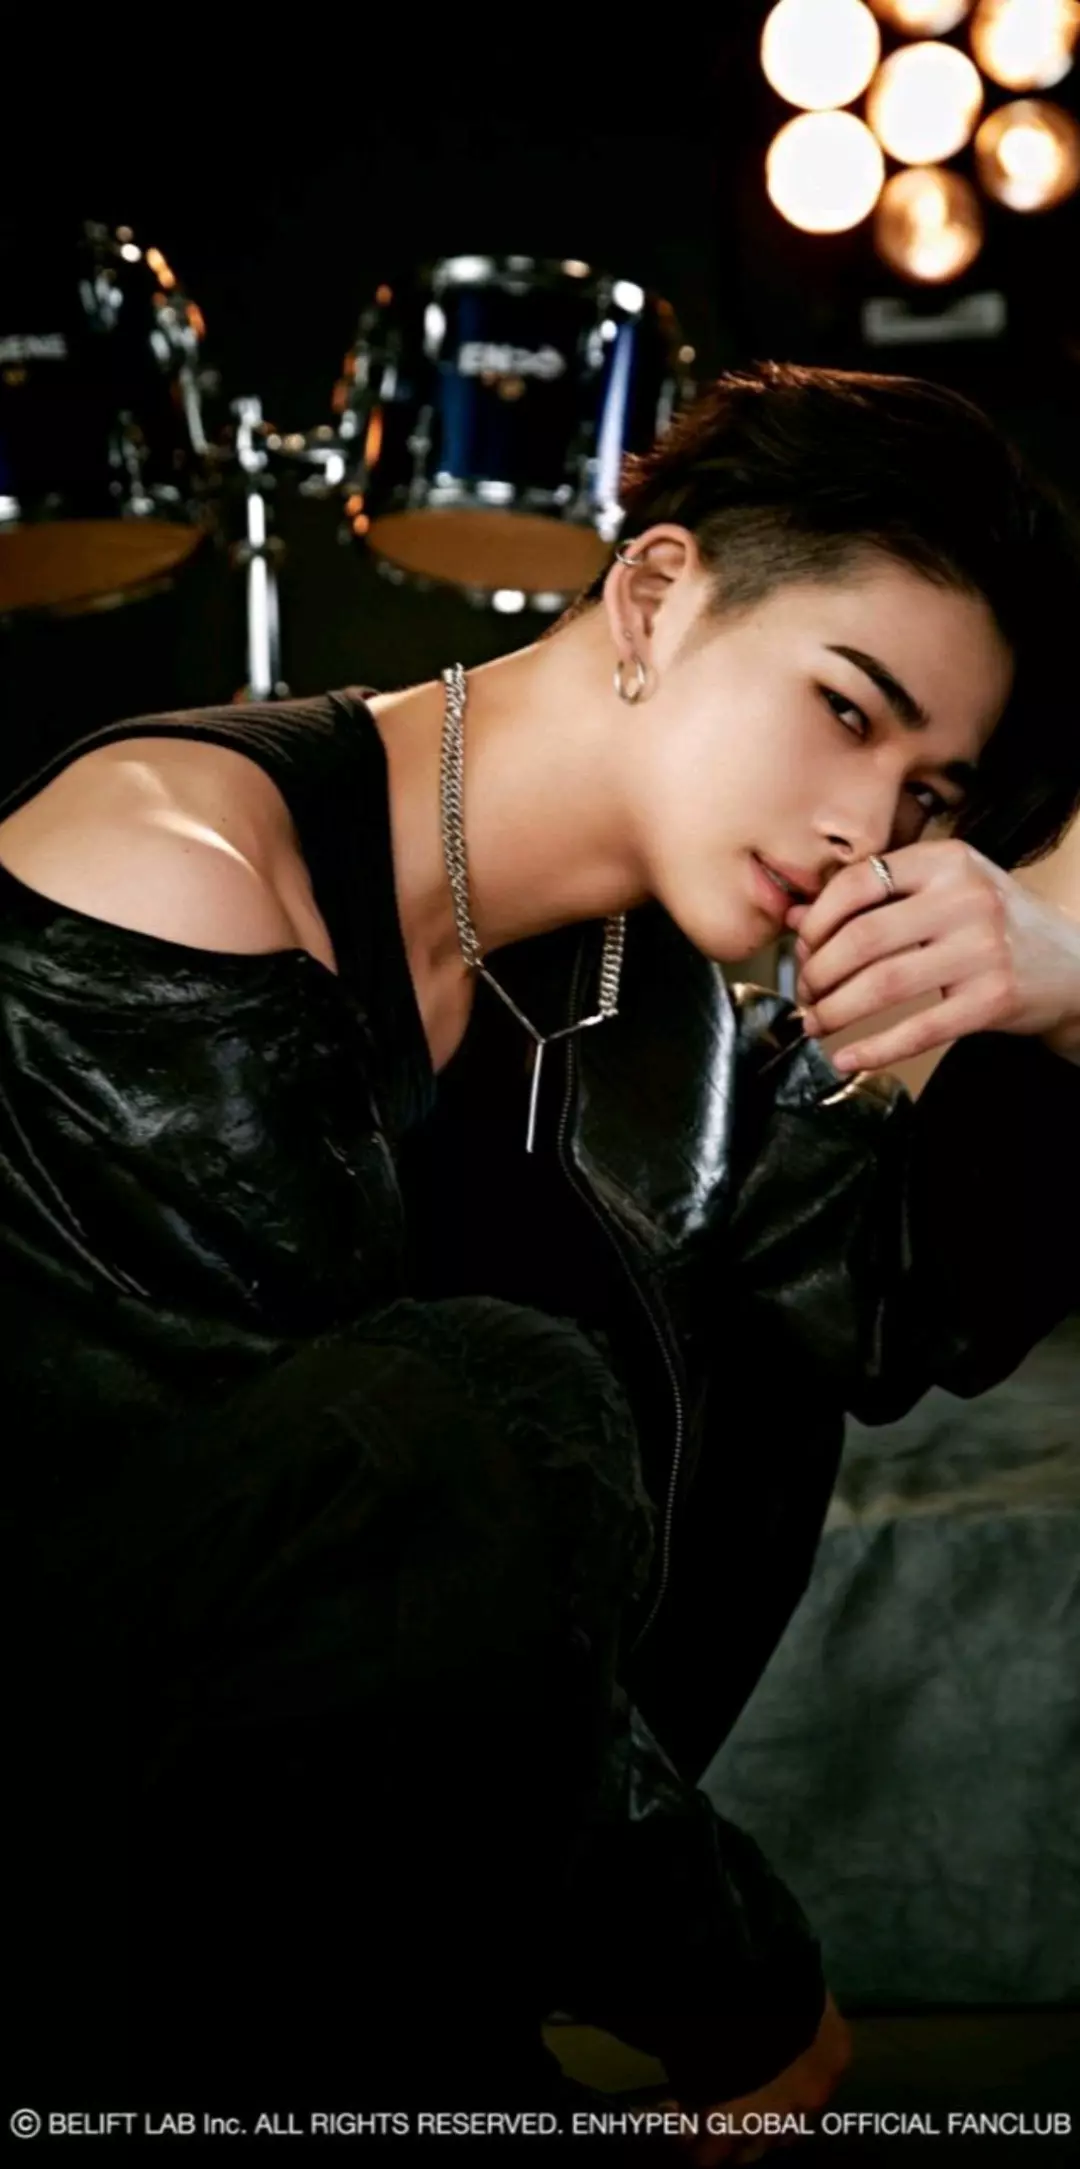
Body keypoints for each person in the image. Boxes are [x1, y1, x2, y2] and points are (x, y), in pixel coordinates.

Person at [4, 361, 1080, 2162]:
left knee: (692, 1357)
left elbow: (889, 1311)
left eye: (924, 795)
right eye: (844, 710)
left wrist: (1059, 993)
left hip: (356, 1937)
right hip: (90, 1904)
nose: (865, 829)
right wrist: (735, 1989)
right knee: (487, 1412)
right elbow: (290, 1584)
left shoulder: (637, 984)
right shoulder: (169, 869)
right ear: (654, 596)